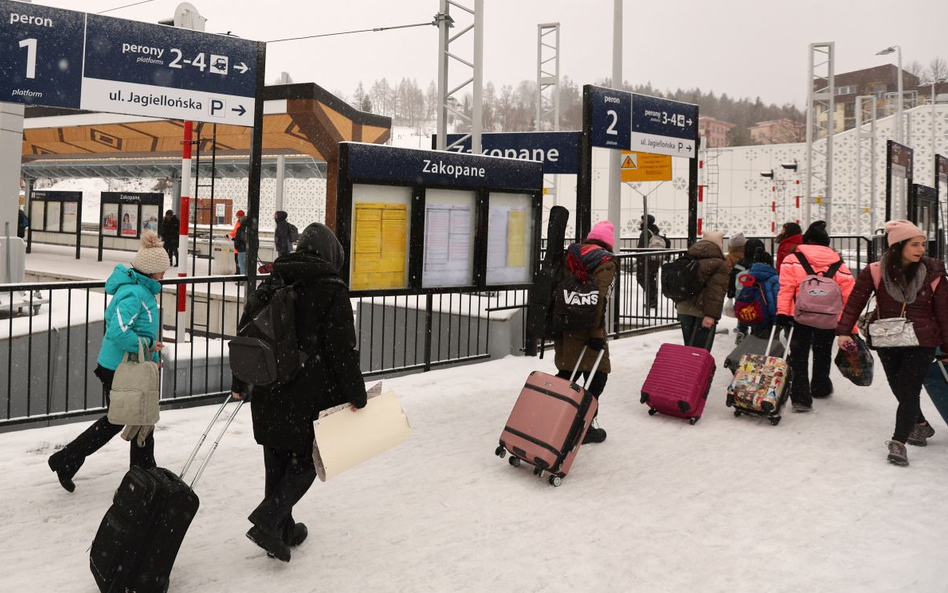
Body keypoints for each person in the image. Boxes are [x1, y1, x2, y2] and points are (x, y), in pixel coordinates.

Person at [232, 222, 367, 562]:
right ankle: (267, 521)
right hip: (306, 394)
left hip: (267, 388)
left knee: (276, 460)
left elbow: (248, 334)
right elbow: (342, 351)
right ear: (331, 254)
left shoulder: (273, 279)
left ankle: (283, 530)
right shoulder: (330, 289)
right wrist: (357, 393)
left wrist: (241, 383)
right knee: (306, 460)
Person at [47, 232, 169, 492]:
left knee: (134, 418)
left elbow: (141, 330)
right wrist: (149, 347)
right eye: (162, 270)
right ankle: (140, 476)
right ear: (152, 271)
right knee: (130, 418)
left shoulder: (139, 290)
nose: (164, 275)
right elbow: (119, 331)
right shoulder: (136, 294)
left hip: (122, 365)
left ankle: (140, 473)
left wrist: (153, 356)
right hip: (120, 368)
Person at [837, 221, 948, 466]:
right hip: (888, 338)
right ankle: (919, 424)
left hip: (922, 340)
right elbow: (855, 302)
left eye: (922, 244)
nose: (921, 249)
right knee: (899, 387)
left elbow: (944, 312)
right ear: (898, 246)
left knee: (909, 389)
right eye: (914, 244)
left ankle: (898, 442)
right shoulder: (876, 271)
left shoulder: (933, 272)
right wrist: (844, 331)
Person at [776, 221, 855, 412]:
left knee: (799, 354)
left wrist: (782, 313)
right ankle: (820, 386)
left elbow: (786, 289)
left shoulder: (792, 259)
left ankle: (801, 397)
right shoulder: (839, 263)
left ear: (806, 240)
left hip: (800, 314)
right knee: (822, 351)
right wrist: (849, 326)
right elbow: (848, 296)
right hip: (828, 316)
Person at [553, 220, 617, 444]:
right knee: (598, 377)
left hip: (566, 324)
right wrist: (596, 335)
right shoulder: (605, 261)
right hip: (588, 327)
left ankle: (549, 418)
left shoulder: (571, 254)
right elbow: (598, 301)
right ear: (609, 243)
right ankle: (582, 427)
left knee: (567, 374)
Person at [676, 230, 729, 351]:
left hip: (684, 308)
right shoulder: (719, 263)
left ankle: (689, 369)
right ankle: (701, 370)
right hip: (703, 312)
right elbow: (716, 292)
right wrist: (711, 315)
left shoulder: (688, 257)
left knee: (689, 349)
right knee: (700, 352)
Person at [728, 238, 766, 343]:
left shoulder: (742, 262)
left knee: (743, 313)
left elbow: (733, 276)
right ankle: (755, 333)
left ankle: (742, 330)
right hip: (759, 294)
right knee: (757, 313)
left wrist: (730, 292)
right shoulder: (763, 262)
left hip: (742, 294)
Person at [635, 214, 666, 309]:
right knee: (651, 279)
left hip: (646, 260)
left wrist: (639, 259)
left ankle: (652, 299)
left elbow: (642, 248)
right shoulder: (654, 231)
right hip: (654, 260)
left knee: (642, 279)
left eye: (642, 220)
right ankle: (652, 300)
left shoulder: (645, 233)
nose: (640, 222)